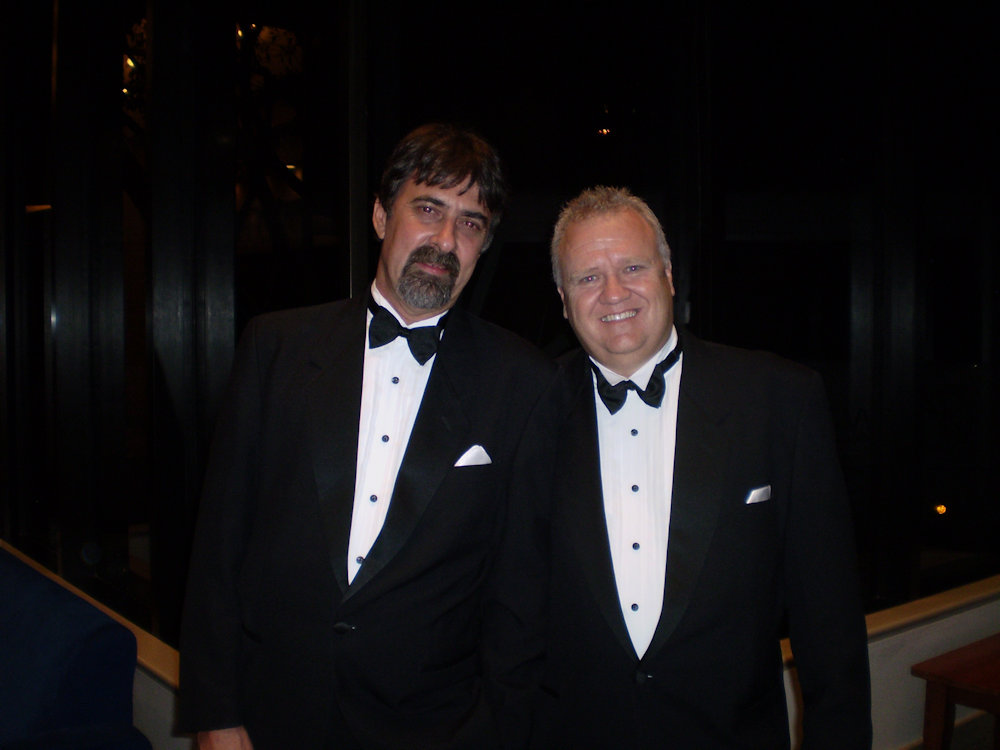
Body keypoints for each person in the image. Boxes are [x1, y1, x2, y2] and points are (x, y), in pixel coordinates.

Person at [178, 123, 556, 750]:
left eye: (469, 223)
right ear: (381, 216)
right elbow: (220, 544)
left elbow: (519, 595)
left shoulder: (524, 382)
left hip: (433, 727)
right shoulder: (276, 347)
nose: (445, 240)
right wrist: (214, 712)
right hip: (273, 714)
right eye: (428, 209)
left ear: (484, 245)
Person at [536, 185, 871, 748]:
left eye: (633, 267)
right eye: (588, 277)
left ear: (669, 276)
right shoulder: (528, 409)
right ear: (564, 300)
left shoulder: (778, 399)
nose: (613, 292)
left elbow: (828, 621)